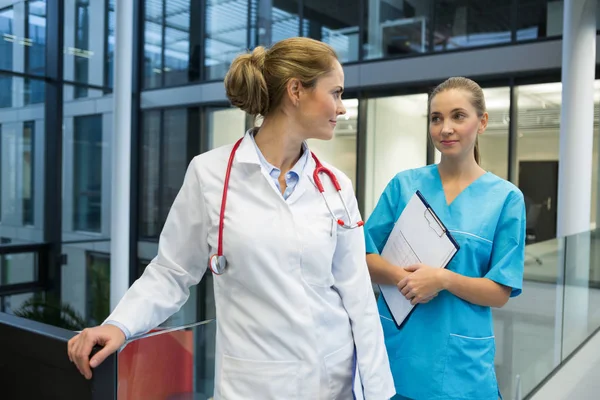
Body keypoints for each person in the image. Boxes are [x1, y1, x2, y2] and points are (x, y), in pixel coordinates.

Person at [67, 37, 395, 399]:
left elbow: (358, 297)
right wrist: (120, 325)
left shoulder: (335, 185)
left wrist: (378, 392)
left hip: (333, 382)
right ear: (296, 90)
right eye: (335, 92)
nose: (342, 107)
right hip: (253, 385)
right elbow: (173, 271)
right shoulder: (210, 175)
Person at [364, 77, 526, 400]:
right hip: (398, 355)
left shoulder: (506, 199)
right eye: (436, 118)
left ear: (482, 122)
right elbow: (363, 255)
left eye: (458, 116)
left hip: (461, 370)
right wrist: (405, 279)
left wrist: (442, 279)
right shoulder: (403, 186)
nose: (445, 128)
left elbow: (500, 292)